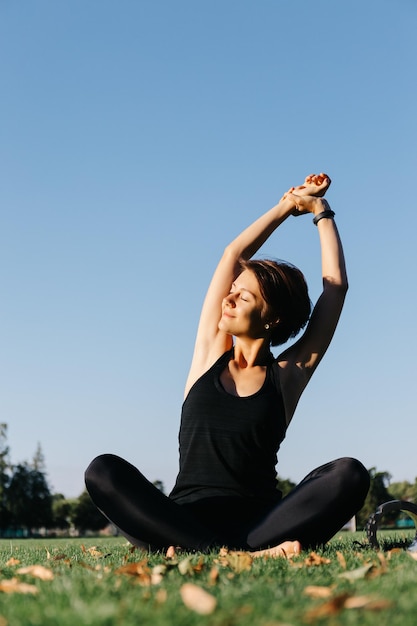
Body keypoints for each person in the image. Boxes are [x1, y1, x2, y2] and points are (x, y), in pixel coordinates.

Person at [85, 173, 370, 557]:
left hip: (260, 525)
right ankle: (228, 553)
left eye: (244, 296)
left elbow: (335, 288)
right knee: (102, 470)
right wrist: (288, 204)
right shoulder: (208, 353)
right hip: (183, 519)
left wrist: (321, 211)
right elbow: (233, 255)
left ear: (272, 318)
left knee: (350, 473)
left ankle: (216, 551)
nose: (229, 299)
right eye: (232, 292)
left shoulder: (287, 375)